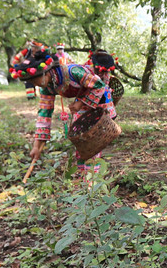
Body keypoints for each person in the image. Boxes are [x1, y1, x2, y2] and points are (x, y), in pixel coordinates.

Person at [9, 43, 117, 180]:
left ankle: (92, 181)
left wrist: (79, 103)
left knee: (92, 141)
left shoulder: (74, 72)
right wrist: (37, 146)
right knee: (80, 138)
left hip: (97, 98)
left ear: (47, 72)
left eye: (35, 80)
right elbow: (44, 114)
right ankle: (83, 176)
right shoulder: (47, 87)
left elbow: (99, 85)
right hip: (83, 101)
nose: (35, 84)